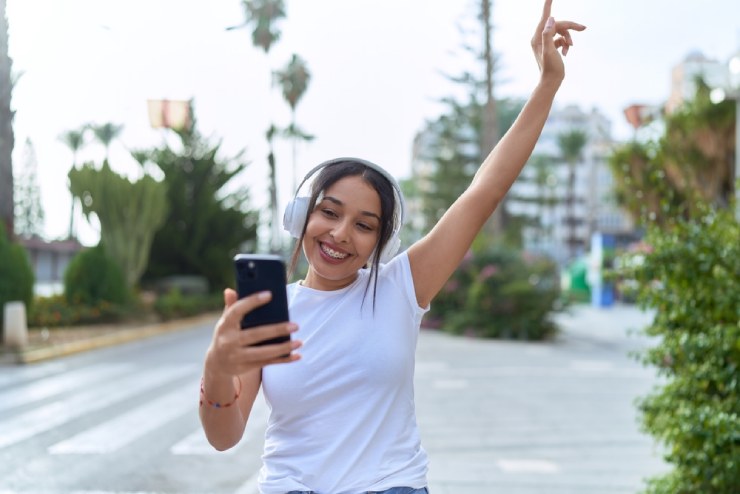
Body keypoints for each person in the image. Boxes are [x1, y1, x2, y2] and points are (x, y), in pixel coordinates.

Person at [200, 1, 585, 492]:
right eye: (330, 212)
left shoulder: (402, 286)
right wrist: (217, 370)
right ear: (302, 216)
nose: (340, 234)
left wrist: (547, 83)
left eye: (364, 225)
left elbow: (483, 192)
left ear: (381, 243)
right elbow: (223, 436)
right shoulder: (275, 309)